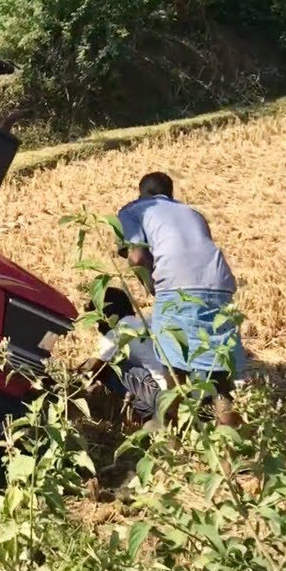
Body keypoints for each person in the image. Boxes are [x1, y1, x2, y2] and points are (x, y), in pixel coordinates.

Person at [117, 172, 245, 423]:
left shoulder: (133, 210)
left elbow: (137, 257)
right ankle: (233, 451)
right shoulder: (193, 212)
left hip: (177, 286)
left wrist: (152, 285)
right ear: (171, 193)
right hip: (218, 282)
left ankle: (171, 445)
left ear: (142, 192)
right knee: (220, 377)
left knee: (174, 373)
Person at [83, 288, 170, 425]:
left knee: (112, 367)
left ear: (106, 315)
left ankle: (137, 413)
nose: (98, 327)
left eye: (98, 320)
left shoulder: (117, 333)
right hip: (182, 387)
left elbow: (94, 366)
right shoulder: (148, 322)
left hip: (163, 396)